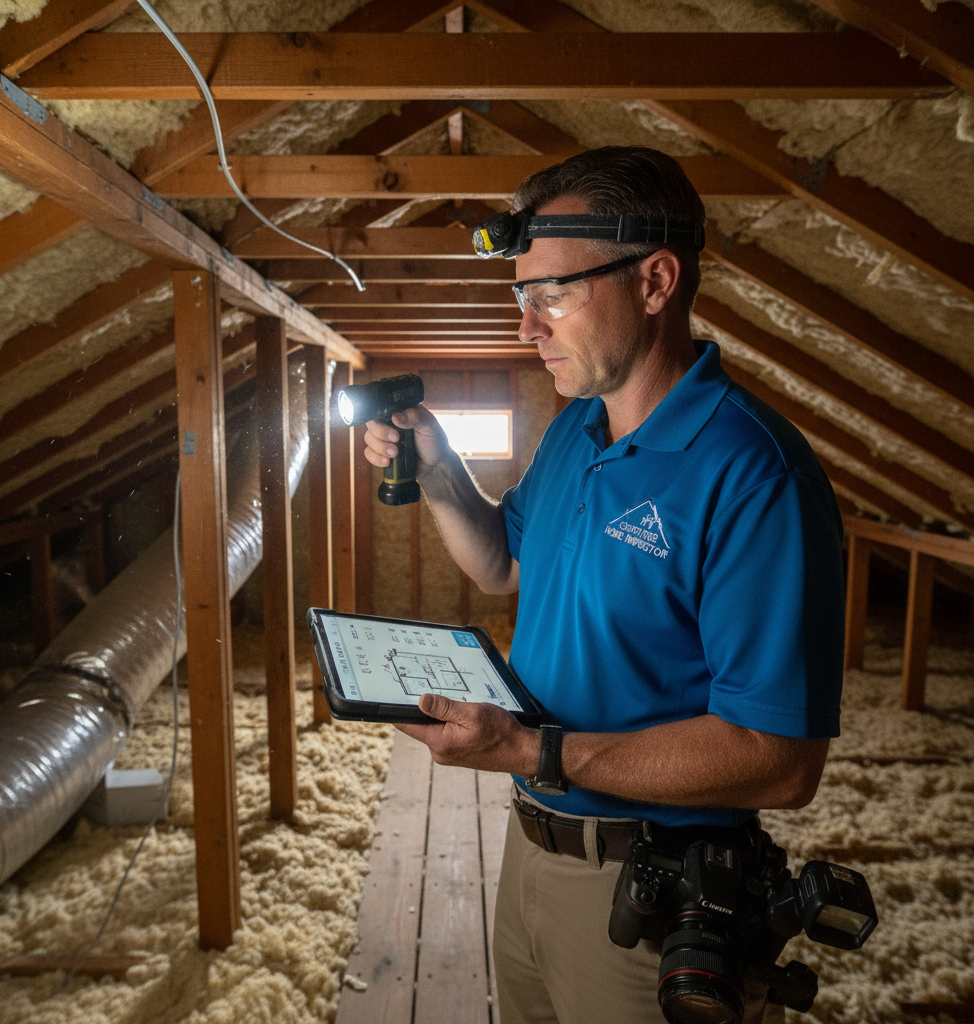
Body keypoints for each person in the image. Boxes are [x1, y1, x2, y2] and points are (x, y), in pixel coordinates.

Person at [362, 146, 844, 1024]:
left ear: (655, 281)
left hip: (650, 890)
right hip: (531, 851)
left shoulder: (753, 473)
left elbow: (781, 762)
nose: (526, 328)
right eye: (520, 298)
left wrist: (535, 752)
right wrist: (437, 468)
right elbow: (504, 564)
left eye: (552, 296)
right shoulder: (576, 429)